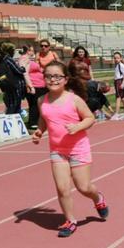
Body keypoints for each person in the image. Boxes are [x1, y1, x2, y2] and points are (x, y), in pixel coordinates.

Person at [31, 61, 109, 238]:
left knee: (83, 187)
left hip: (78, 149)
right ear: (44, 79)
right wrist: (39, 131)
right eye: (49, 76)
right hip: (57, 150)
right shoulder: (41, 100)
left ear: (65, 79)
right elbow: (45, 118)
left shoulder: (74, 99)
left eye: (57, 76)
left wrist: (78, 126)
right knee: (62, 188)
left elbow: (90, 118)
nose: (53, 79)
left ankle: (98, 199)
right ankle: (70, 220)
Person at [0, 41, 27, 115]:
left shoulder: (1, 58)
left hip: (9, 86)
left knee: (12, 106)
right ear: (9, 51)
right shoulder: (8, 59)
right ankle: (11, 122)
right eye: (13, 50)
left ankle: (13, 122)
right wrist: (23, 66)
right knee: (14, 107)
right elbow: (19, 70)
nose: (14, 52)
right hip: (14, 87)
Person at [21, 45, 46, 129]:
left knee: (38, 104)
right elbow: (25, 73)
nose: (33, 52)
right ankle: (33, 122)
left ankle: (38, 121)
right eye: (32, 51)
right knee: (34, 104)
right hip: (35, 85)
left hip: (40, 84)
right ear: (28, 51)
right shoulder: (25, 59)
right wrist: (30, 86)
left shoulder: (28, 59)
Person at [112, 52, 124, 120]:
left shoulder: (120, 65)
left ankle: (116, 114)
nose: (116, 59)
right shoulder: (118, 65)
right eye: (115, 58)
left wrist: (122, 83)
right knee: (123, 98)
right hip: (119, 81)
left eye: (118, 58)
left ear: (120, 58)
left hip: (119, 81)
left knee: (118, 98)